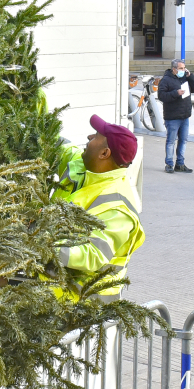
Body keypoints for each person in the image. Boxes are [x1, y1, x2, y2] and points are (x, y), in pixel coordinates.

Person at [51, 115, 145, 295]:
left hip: (85, 305)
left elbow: (91, 254)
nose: (89, 138)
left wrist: (40, 244)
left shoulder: (118, 206)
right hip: (53, 293)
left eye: (95, 137)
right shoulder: (82, 166)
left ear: (104, 153)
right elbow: (56, 143)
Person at [157, 59, 194, 173]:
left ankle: (180, 163)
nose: (183, 70)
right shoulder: (166, 80)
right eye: (180, 68)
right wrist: (175, 93)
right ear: (174, 69)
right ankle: (169, 164)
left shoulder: (185, 78)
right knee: (171, 141)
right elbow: (161, 95)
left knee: (183, 140)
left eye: (184, 68)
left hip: (184, 115)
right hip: (172, 116)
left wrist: (191, 76)